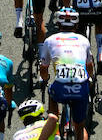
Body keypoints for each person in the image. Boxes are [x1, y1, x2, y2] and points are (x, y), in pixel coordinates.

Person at [38, 8, 93, 140]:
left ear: (58, 24)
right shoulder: (84, 40)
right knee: (80, 126)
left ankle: (55, 126)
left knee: (52, 109)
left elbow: (43, 68)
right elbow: (89, 66)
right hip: (80, 87)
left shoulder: (50, 40)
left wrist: (45, 79)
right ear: (77, 24)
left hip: (60, 87)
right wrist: (89, 79)